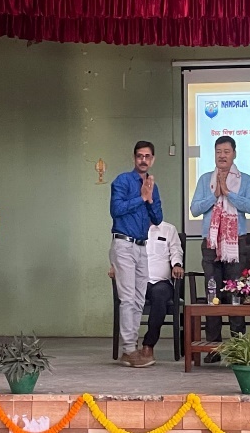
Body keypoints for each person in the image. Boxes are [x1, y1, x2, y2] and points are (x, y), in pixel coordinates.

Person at [190, 135, 250, 363]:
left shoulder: (245, 180)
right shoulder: (205, 180)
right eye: (218, 151)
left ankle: (239, 349)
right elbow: (195, 209)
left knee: (234, 295)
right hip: (211, 244)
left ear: (234, 154)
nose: (222, 156)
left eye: (226, 152)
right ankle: (214, 348)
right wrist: (215, 195)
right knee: (213, 294)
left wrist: (229, 193)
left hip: (236, 244)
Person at [109, 141, 163, 368]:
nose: (143, 160)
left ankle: (132, 348)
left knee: (140, 298)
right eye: (140, 156)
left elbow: (158, 218)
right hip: (124, 244)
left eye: (147, 156)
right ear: (134, 158)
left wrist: (149, 199)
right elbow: (116, 210)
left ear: (153, 160)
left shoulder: (152, 186)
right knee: (128, 298)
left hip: (142, 246)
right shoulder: (122, 181)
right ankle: (129, 349)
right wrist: (140, 198)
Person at [108, 221, 184, 365]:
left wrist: (177, 265)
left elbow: (176, 251)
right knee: (129, 298)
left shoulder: (168, 229)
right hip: (137, 281)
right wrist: (115, 266)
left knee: (159, 296)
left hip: (161, 282)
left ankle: (148, 345)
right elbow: (120, 252)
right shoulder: (130, 229)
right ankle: (130, 346)